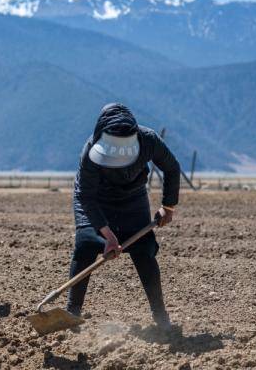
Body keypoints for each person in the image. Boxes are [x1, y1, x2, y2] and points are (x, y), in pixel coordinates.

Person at [68, 103, 180, 330]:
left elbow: (172, 167)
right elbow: (86, 197)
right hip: (96, 201)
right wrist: (107, 234)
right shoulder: (91, 151)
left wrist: (168, 206)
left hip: (133, 199)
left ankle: (160, 316)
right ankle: (72, 313)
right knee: (86, 245)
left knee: (144, 251)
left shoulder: (148, 140)